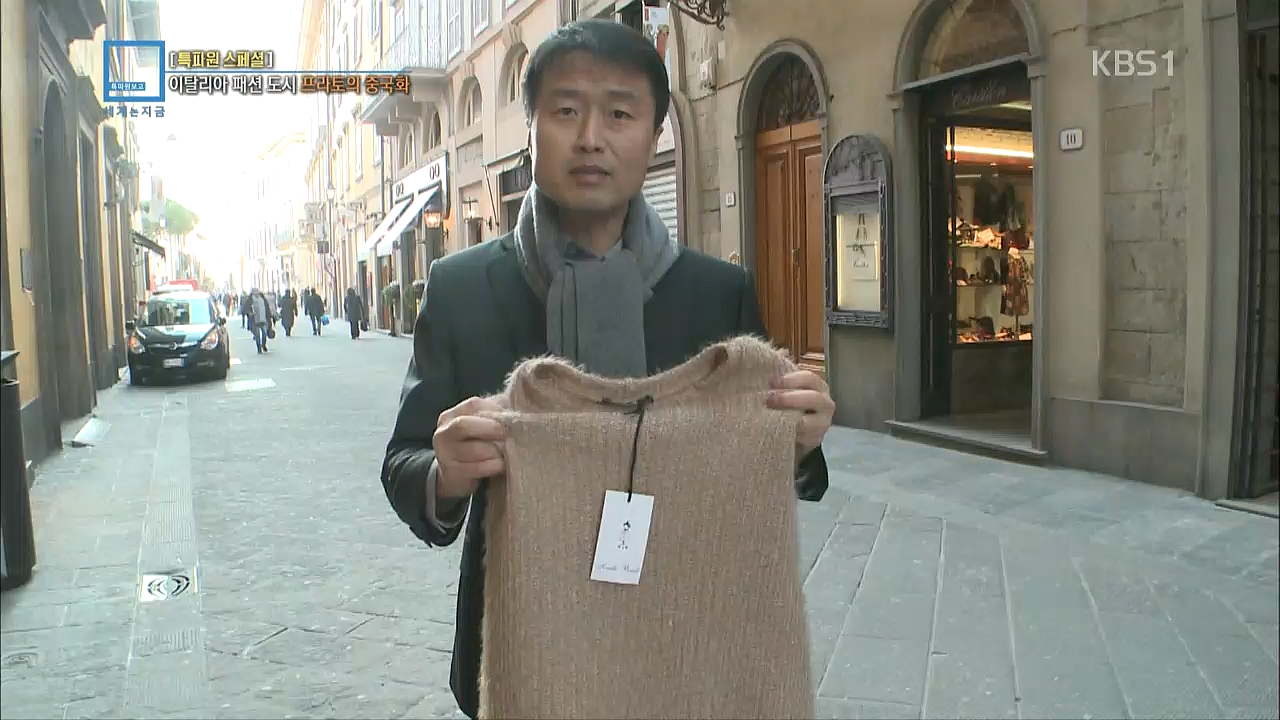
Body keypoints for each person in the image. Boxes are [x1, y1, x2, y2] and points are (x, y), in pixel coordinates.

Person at [380, 20, 834, 720]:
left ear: (653, 136)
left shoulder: (717, 293)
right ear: (531, 129)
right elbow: (403, 461)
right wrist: (444, 473)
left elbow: (785, 467)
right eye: (566, 110)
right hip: (521, 645)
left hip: (688, 637)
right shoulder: (463, 288)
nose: (591, 137)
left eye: (620, 114)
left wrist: (799, 440)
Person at [248, 289, 270, 353]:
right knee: (257, 335)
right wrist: (250, 313)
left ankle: (263, 344)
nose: (256, 293)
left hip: (263, 319)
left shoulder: (262, 299)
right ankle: (259, 348)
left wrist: (269, 316)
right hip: (255, 320)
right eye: (254, 291)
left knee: (264, 333)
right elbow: (246, 308)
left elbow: (267, 307)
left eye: (257, 291)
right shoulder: (250, 300)